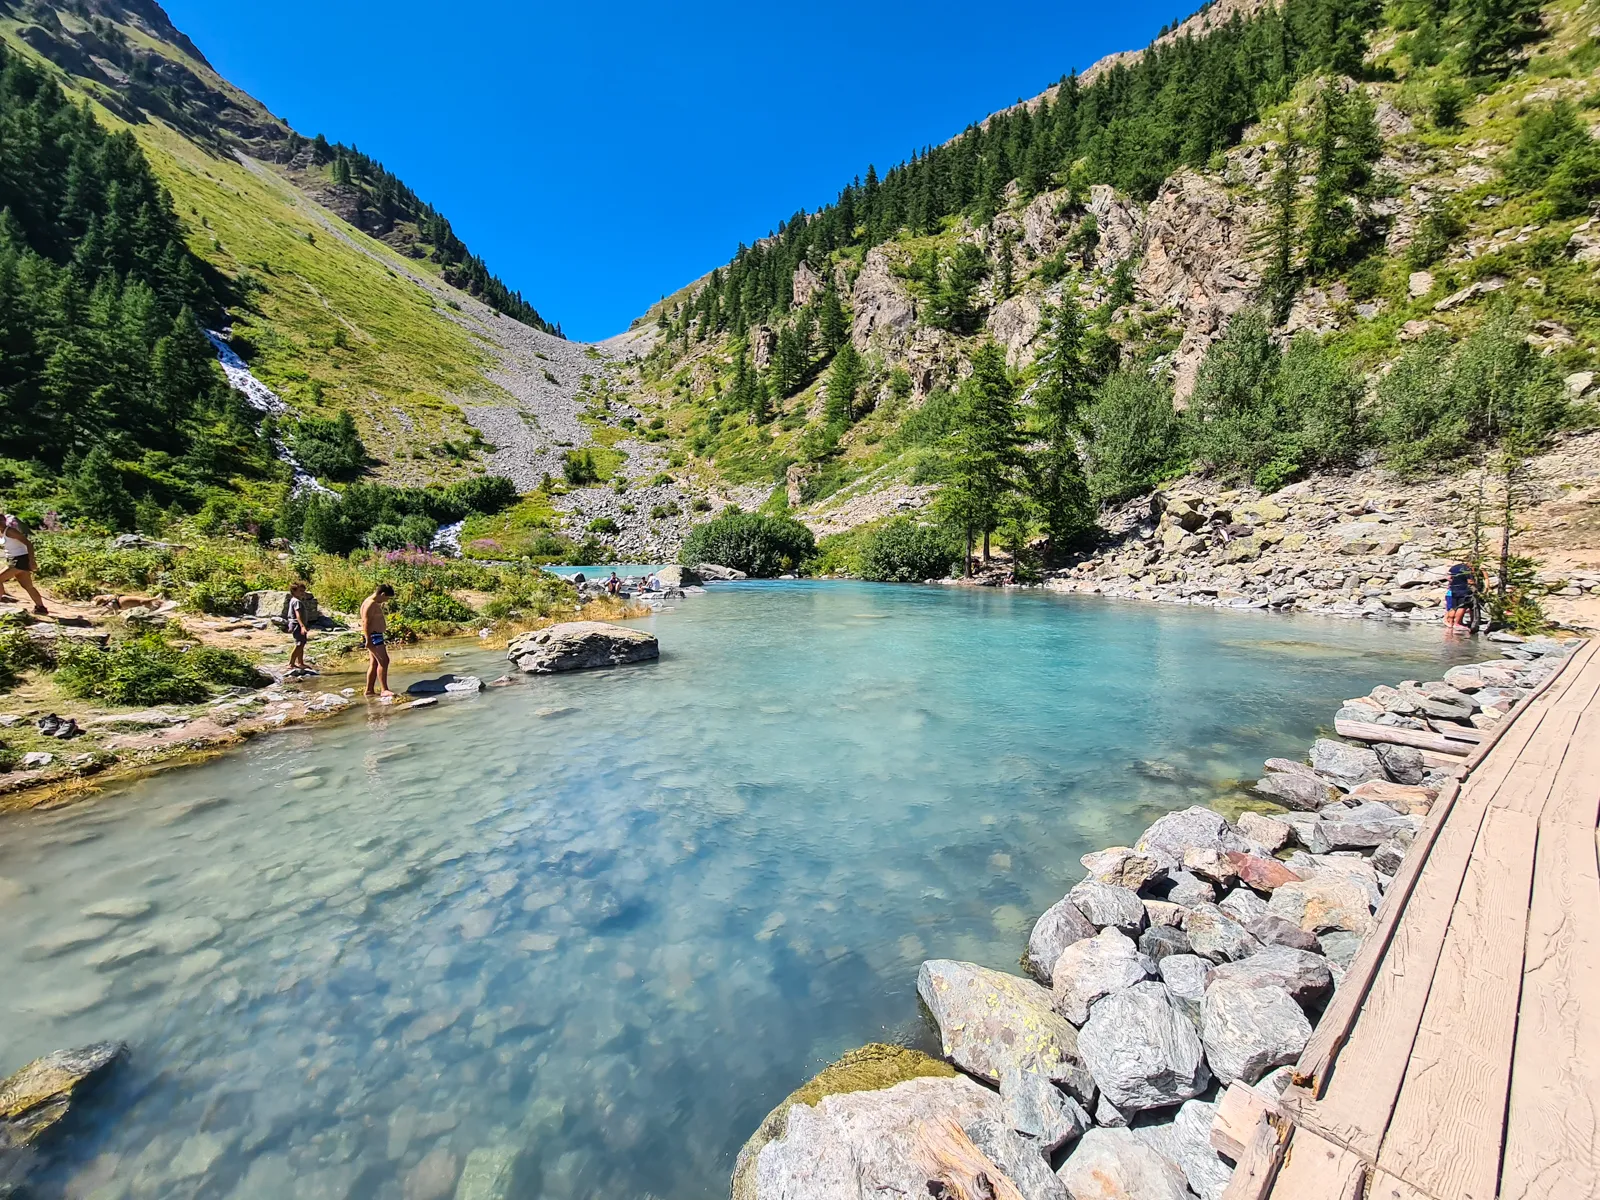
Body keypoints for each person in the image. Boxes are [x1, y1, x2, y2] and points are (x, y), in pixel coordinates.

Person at [0, 511, 47, 615]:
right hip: (13, 560)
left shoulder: (10, 531)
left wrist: (32, 561)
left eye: (1, 520)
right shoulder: (2, 532)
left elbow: (28, 543)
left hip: (19, 560)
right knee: (27, 586)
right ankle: (41, 608)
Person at [360, 583, 395, 697]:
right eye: (387, 598)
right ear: (383, 594)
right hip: (374, 636)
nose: (387, 601)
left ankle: (369, 690)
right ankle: (384, 690)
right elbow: (366, 622)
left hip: (375, 635)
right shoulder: (371, 604)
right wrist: (368, 640)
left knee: (374, 663)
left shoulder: (370, 601)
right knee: (384, 661)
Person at [286, 581, 315, 676]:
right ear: (294, 591)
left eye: (304, 591)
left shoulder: (295, 600)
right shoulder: (297, 602)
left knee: (302, 643)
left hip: (299, 625)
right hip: (297, 625)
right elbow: (298, 615)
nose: (303, 593)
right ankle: (291, 663)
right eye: (300, 591)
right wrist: (302, 626)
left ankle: (300, 662)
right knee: (299, 644)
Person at [1445, 562, 1475, 631]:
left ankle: (1450, 622)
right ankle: (1457, 623)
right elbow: (1470, 581)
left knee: (1453, 607)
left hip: (1453, 589)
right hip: (1463, 590)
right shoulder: (1467, 569)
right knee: (1462, 607)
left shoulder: (1455, 567)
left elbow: (1449, 577)